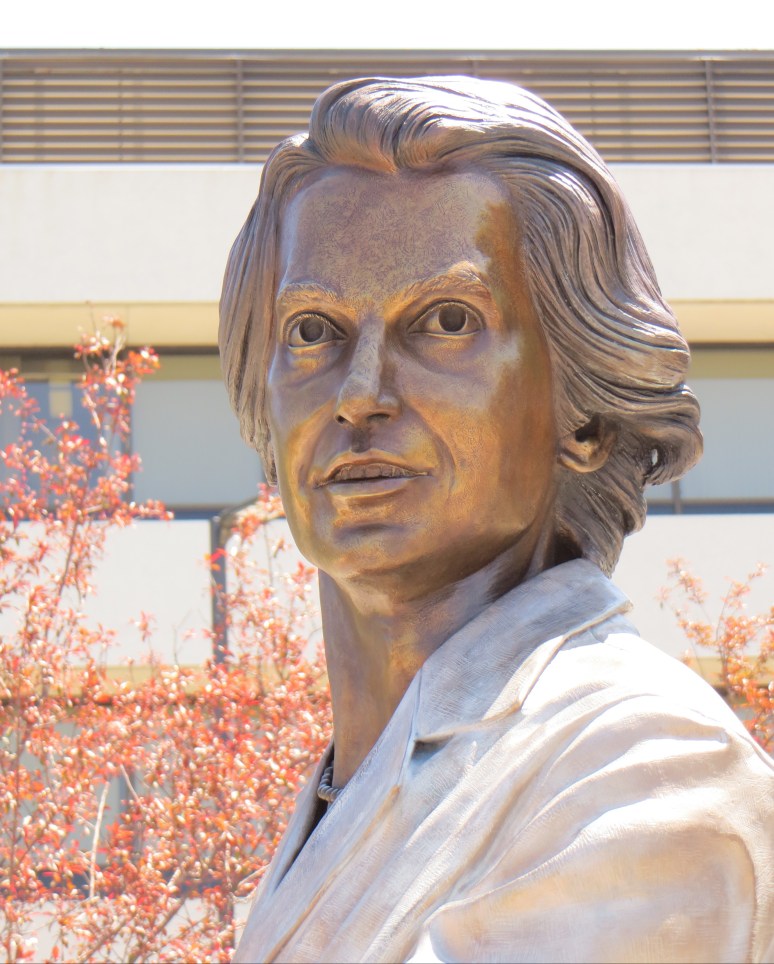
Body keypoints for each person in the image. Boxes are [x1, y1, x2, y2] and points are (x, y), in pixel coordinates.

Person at [219, 76, 774, 963]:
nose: (358, 393)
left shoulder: (641, 772)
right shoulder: (343, 789)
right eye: (314, 331)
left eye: (445, 321)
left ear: (584, 418)